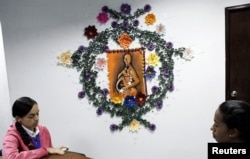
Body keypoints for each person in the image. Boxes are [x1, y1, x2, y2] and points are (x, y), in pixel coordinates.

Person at [2, 96, 68, 159]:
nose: (37, 118)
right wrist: (45, 151)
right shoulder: (12, 135)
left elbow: (49, 153)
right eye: (31, 116)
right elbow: (10, 157)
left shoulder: (44, 130)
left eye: (37, 114)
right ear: (18, 118)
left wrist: (55, 151)